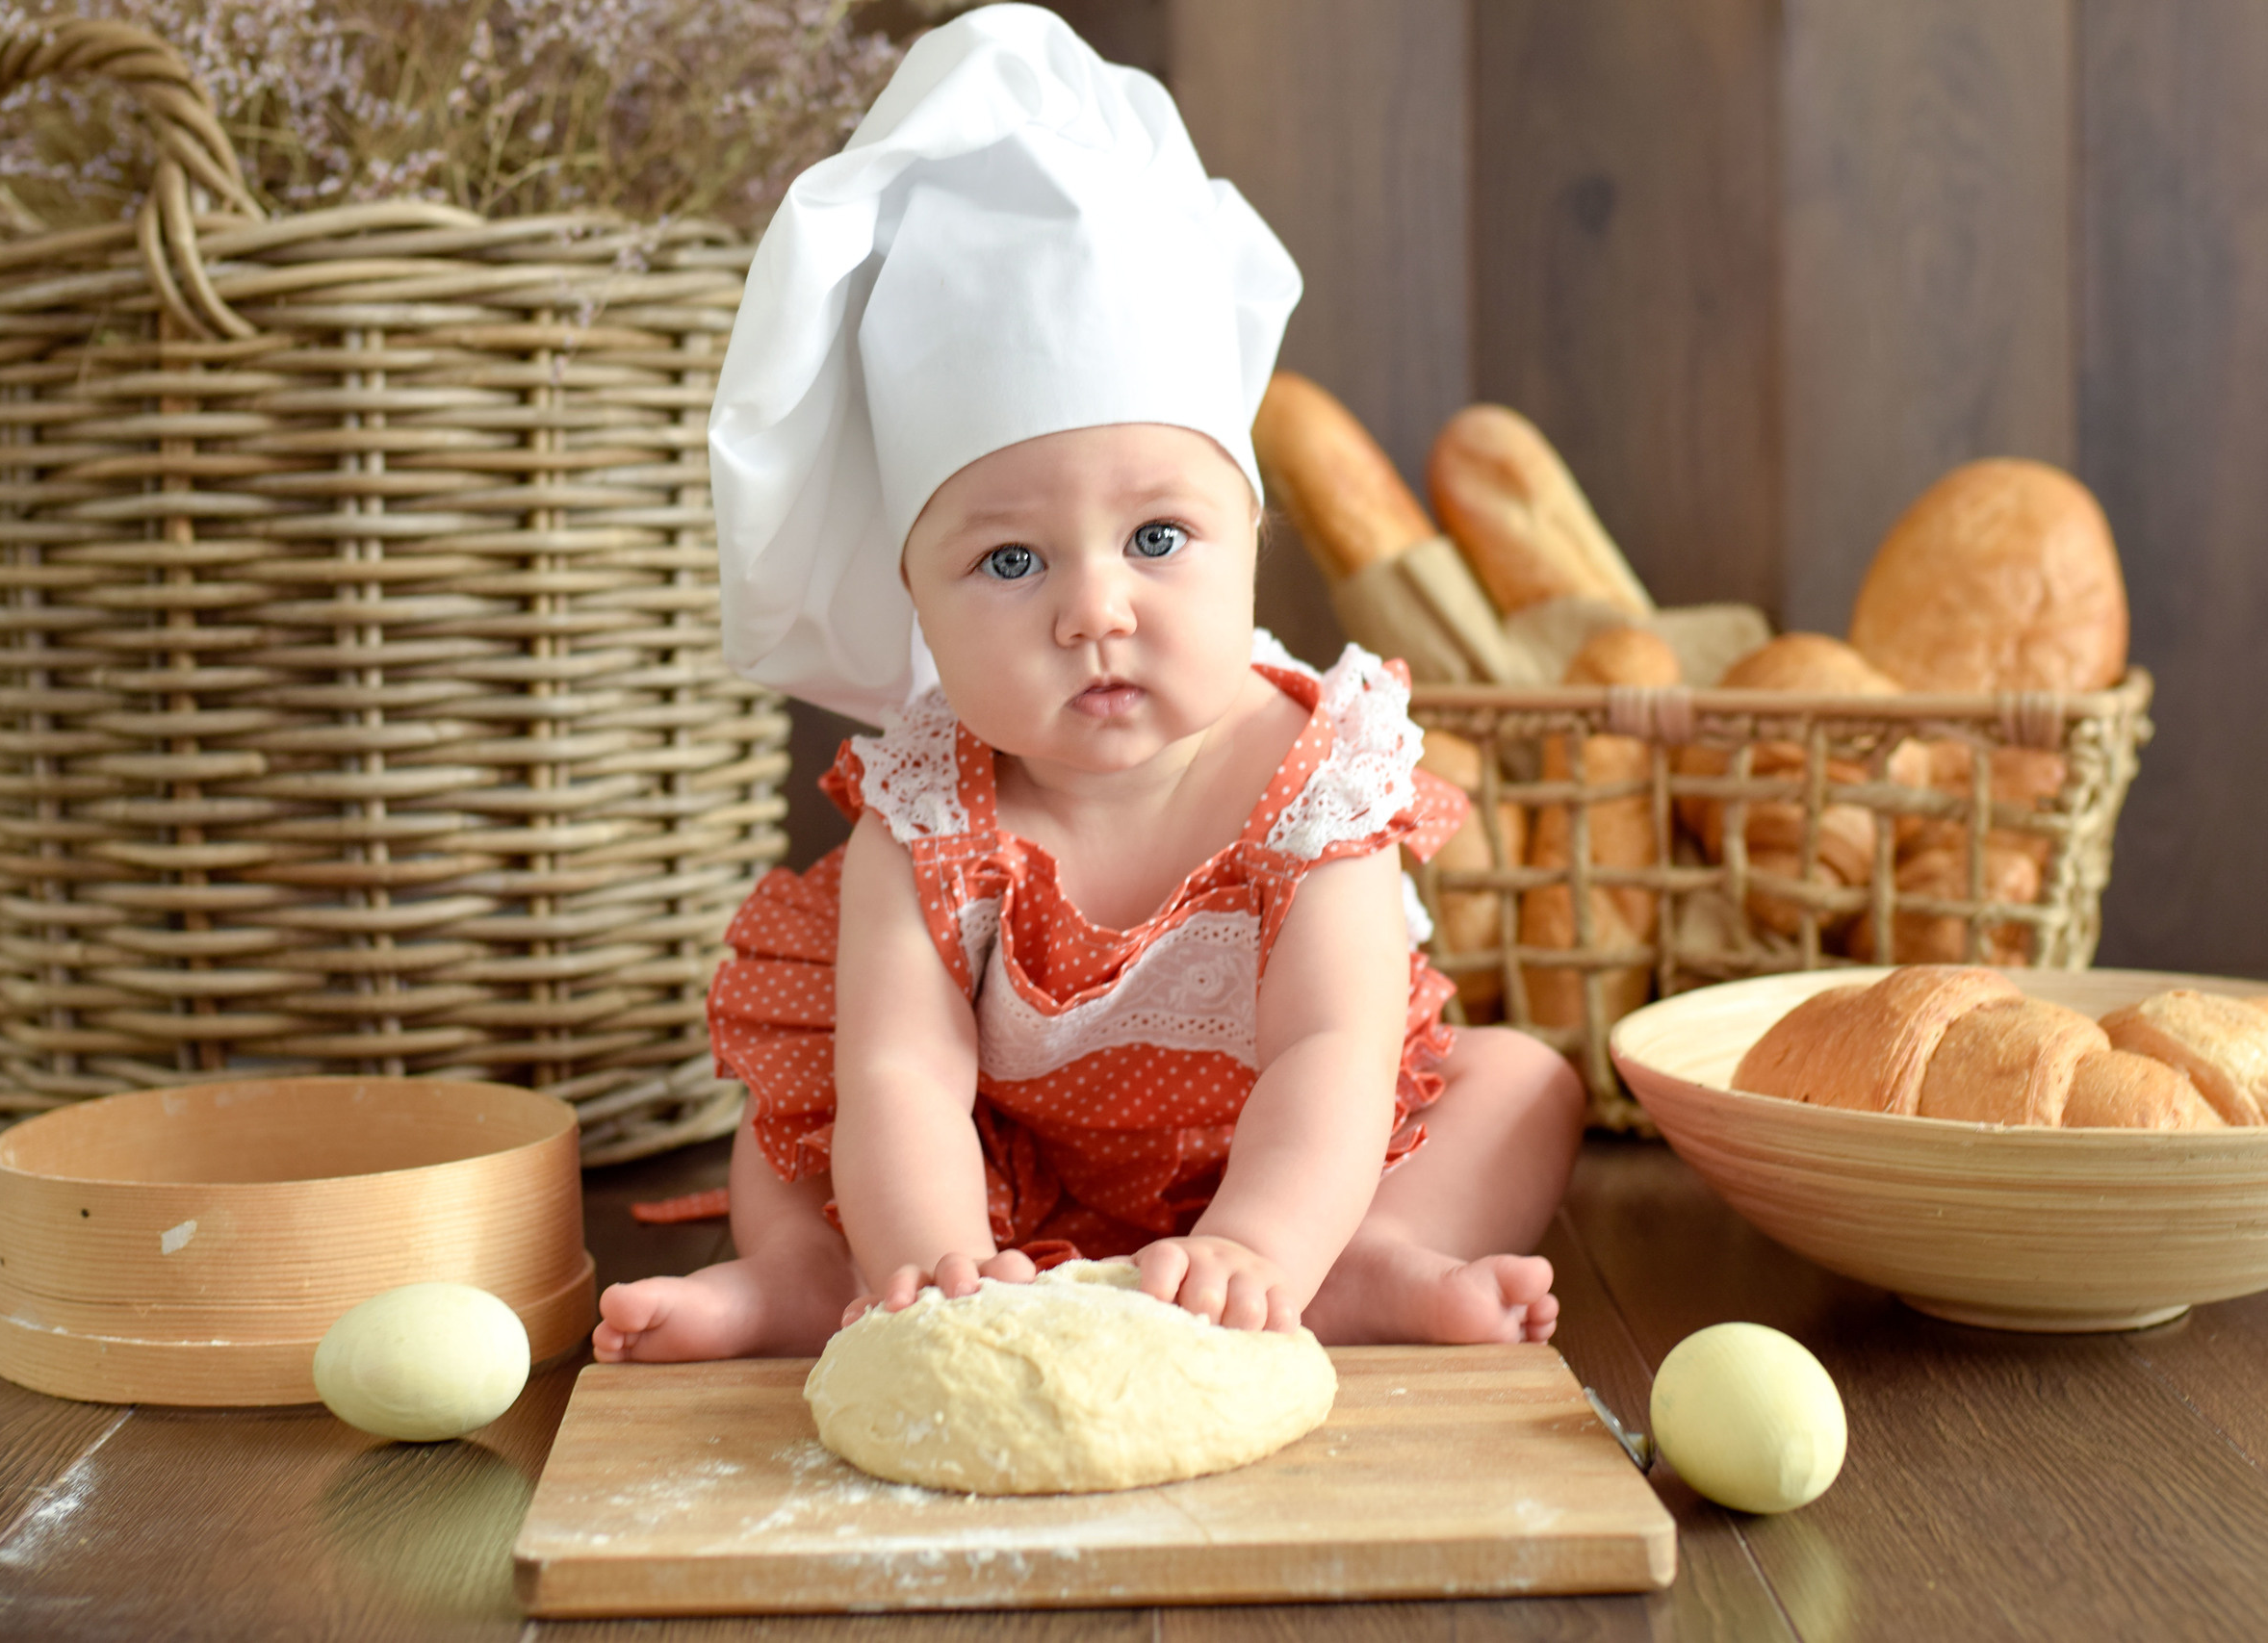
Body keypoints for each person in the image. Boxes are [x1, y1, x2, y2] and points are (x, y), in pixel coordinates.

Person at [594, 5, 1584, 1365]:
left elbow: (1331, 1055)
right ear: (915, 595)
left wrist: (1263, 1241)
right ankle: (807, 1281)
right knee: (804, 1100)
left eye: (1158, 538)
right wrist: (933, 1258)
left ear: (1253, 538)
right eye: (1010, 560)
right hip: (1000, 1187)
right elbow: (902, 1072)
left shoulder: (1316, 788)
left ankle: (1358, 1266)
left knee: (1522, 1083)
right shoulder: (928, 816)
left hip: (1292, 1176)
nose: (1095, 611)